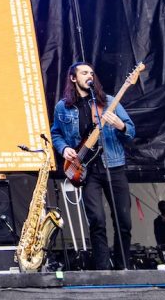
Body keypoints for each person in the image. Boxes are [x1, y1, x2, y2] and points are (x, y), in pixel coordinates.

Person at [51, 61, 135, 270]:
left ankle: (123, 267)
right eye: (84, 72)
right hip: (86, 170)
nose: (89, 75)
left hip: (113, 166)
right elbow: (56, 133)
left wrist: (120, 125)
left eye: (91, 72)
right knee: (97, 221)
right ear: (73, 78)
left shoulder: (108, 102)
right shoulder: (63, 107)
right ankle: (103, 270)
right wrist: (63, 149)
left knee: (123, 221)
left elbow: (131, 131)